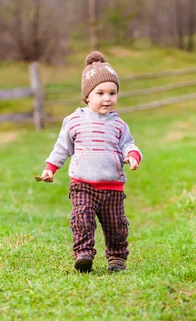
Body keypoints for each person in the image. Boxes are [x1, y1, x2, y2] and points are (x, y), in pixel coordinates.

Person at [38, 51, 142, 273]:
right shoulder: (74, 120)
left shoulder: (119, 125)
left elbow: (128, 144)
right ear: (87, 96)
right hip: (82, 183)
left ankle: (116, 258)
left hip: (112, 186)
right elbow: (62, 147)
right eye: (100, 93)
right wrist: (50, 168)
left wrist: (132, 155)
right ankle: (83, 254)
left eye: (112, 93)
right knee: (81, 219)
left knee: (117, 226)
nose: (107, 98)